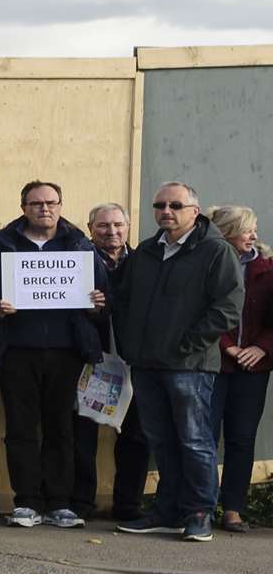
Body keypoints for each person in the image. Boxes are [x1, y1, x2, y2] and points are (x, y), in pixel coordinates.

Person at [0, 180, 107, 528]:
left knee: (61, 429)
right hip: (15, 351)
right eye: (36, 203)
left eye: (51, 202)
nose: (44, 209)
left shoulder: (79, 244)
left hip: (66, 351)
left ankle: (59, 503)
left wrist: (99, 303)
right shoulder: (1, 243)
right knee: (20, 427)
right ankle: (26, 501)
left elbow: (103, 295)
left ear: (60, 205)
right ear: (23, 207)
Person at [113, 183, 244, 542]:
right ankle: (168, 512)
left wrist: (189, 345)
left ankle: (199, 512)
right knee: (161, 441)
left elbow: (228, 309)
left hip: (190, 365)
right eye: (159, 205)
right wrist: (129, 344)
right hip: (146, 364)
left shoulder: (215, 252)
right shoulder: (146, 251)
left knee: (194, 440)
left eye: (175, 205)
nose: (166, 210)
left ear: (194, 210)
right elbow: (123, 300)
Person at [70, 203, 149, 522]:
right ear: (90, 229)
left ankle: (128, 505)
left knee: (136, 435)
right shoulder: (75, 262)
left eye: (118, 225)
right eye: (103, 226)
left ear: (128, 228)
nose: (111, 232)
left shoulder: (145, 262)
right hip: (90, 358)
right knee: (83, 433)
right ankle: (80, 503)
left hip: (135, 360)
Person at [208, 206, 270, 533]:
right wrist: (227, 345)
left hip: (254, 369)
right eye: (248, 230)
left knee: (241, 439)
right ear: (228, 231)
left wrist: (262, 348)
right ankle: (199, 507)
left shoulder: (267, 269)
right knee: (202, 436)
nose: (254, 236)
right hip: (213, 365)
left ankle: (232, 508)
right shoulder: (206, 264)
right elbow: (198, 310)